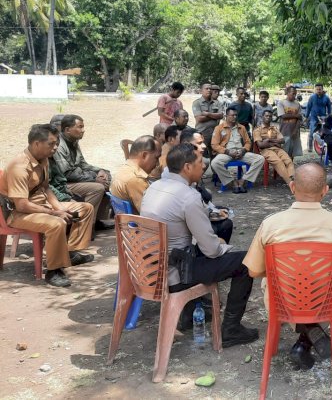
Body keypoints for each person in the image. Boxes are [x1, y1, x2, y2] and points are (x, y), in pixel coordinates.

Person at [244, 163, 332, 369]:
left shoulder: (271, 224)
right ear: (325, 191)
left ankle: (306, 333)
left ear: (291, 187)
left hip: (284, 302)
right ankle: (308, 335)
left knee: (276, 282)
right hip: (326, 301)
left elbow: (253, 270)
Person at [141, 143, 258, 346]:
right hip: (176, 273)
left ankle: (191, 312)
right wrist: (223, 246)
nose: (203, 166)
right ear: (187, 167)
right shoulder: (188, 197)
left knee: (212, 240)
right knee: (246, 261)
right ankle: (231, 329)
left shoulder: (154, 186)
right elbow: (211, 251)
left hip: (150, 266)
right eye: (199, 162)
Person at [0, 124, 95, 287]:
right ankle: (54, 271)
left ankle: (70, 252)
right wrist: (54, 213)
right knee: (56, 224)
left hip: (39, 206)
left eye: (56, 143)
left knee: (85, 208)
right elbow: (22, 205)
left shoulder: (42, 159)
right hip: (17, 213)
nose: (56, 147)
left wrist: (59, 208)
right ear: (36, 143)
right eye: (51, 144)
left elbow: (45, 188)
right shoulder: (19, 167)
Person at [53, 114, 113, 231]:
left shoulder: (73, 142)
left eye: (83, 127)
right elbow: (67, 174)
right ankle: (83, 225)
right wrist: (94, 178)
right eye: (79, 127)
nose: (83, 130)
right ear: (67, 130)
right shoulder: (60, 146)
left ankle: (96, 222)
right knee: (97, 188)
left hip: (76, 178)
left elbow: (83, 164)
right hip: (64, 182)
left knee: (107, 178)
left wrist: (100, 171)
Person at [210, 108, 265, 193]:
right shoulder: (219, 128)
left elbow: (248, 142)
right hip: (226, 153)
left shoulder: (241, 127)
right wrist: (228, 151)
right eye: (232, 115)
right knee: (215, 163)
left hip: (241, 153)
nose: (235, 117)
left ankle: (243, 181)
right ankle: (233, 182)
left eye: (236, 115)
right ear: (226, 116)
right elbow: (214, 145)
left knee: (260, 159)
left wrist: (243, 150)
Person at [110, 135, 162, 213]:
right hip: (140, 224)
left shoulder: (123, 169)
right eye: (156, 158)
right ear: (145, 155)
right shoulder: (136, 179)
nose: (157, 164)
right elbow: (151, 213)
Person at [254, 110, 296, 185]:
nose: (268, 118)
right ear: (262, 117)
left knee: (288, 160)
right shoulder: (257, 130)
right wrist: (275, 142)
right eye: (266, 116)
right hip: (266, 151)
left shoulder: (274, 128)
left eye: (270, 116)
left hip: (277, 149)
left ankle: (292, 178)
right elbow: (260, 145)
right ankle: (290, 183)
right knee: (279, 162)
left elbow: (282, 140)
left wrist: (269, 140)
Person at [277, 86, 303, 158]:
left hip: (294, 132)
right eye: (293, 94)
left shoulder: (297, 104)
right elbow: (283, 116)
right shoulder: (281, 103)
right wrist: (296, 115)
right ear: (287, 93)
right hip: (284, 131)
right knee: (283, 151)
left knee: (292, 152)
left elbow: (299, 118)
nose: (294, 95)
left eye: (295, 94)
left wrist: (295, 130)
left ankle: (290, 167)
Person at [305, 83, 332, 152]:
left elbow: (329, 108)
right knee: (312, 132)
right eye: (317, 89)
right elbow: (308, 107)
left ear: (322, 89)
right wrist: (306, 116)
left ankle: (322, 146)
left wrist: (329, 116)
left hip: (323, 118)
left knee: (323, 132)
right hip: (314, 117)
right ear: (315, 90)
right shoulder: (312, 97)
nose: (318, 91)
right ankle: (310, 147)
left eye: (320, 89)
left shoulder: (326, 98)